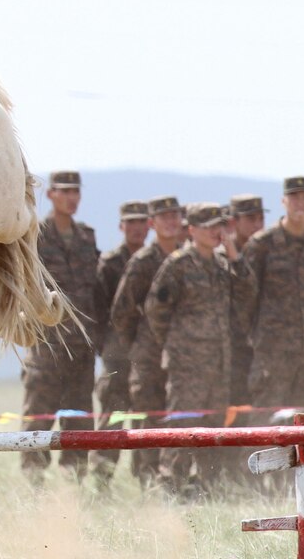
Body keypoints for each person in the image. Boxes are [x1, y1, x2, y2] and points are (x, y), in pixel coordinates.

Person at [144, 203, 255, 496]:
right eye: (207, 227)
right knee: (183, 427)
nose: (215, 232)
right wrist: (176, 346)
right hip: (187, 366)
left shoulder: (221, 265)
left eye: (219, 225)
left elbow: (248, 291)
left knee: (212, 429)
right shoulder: (178, 265)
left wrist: (233, 252)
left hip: (219, 364)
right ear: (191, 230)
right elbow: (156, 310)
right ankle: (171, 488)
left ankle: (205, 488)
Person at [20, 171, 104, 482]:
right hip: (47, 346)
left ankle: (74, 484)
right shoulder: (34, 235)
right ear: (51, 194)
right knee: (39, 418)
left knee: (80, 419)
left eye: (76, 192)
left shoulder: (87, 237)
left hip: (81, 349)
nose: (72, 198)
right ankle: (34, 483)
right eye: (65, 191)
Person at [241, 177, 304, 418]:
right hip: (272, 356)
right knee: (265, 425)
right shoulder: (262, 244)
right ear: (283, 201)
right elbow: (245, 299)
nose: (301, 204)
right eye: (295, 198)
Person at [110, 195, 184, 486]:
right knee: (149, 421)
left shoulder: (186, 256)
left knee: (178, 419)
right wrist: (140, 345)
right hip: (149, 357)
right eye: (163, 217)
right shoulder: (142, 262)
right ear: (153, 223)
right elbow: (121, 312)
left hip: (183, 357)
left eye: (174, 216)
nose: (170, 221)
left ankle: (174, 481)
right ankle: (148, 483)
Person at [89, 200, 149, 486]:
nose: (137, 228)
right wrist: (106, 348)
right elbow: (98, 311)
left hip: (148, 356)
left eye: (142, 222)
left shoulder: (156, 260)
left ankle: (145, 480)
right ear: (121, 226)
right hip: (116, 356)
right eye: (131, 222)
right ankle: (101, 480)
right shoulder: (110, 264)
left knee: (145, 419)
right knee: (112, 417)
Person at [223, 195, 267, 406]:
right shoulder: (218, 258)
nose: (257, 225)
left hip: (264, 350)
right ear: (233, 222)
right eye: (250, 219)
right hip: (230, 353)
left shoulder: (269, 252)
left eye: (260, 219)